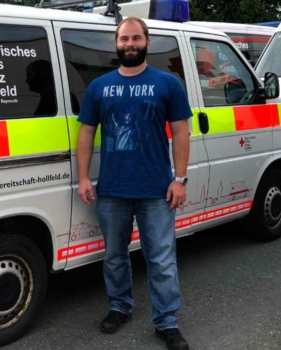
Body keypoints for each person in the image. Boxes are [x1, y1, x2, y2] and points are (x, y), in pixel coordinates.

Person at [76, 17, 192, 350]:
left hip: (157, 189)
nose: (130, 44)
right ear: (116, 43)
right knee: (114, 256)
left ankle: (167, 322)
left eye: (136, 38)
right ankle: (119, 307)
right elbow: (86, 132)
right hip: (111, 188)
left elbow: (182, 132)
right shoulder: (99, 87)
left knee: (161, 259)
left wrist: (179, 179)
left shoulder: (167, 84)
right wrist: (84, 177)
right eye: (124, 38)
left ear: (147, 42)